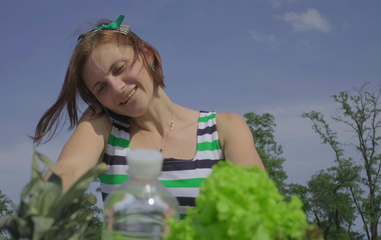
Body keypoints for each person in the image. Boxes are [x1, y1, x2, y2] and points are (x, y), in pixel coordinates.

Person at [32, 15, 264, 213]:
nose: (117, 87)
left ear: (147, 55)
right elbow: (70, 168)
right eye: (101, 87)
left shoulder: (224, 128)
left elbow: (259, 206)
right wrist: (37, 211)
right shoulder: (103, 124)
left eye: (120, 69)